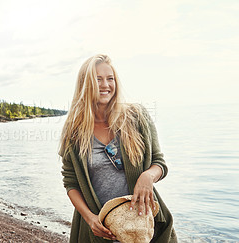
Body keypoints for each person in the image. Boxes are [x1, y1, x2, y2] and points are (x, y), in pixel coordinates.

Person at [58, 54, 177, 243]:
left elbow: (159, 162)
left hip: (143, 226)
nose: (105, 85)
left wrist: (147, 177)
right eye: (97, 79)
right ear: (85, 84)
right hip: (100, 230)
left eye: (110, 78)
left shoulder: (136, 116)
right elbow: (71, 182)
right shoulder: (74, 131)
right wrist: (90, 219)